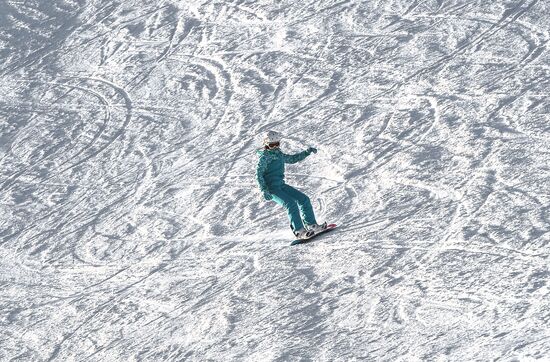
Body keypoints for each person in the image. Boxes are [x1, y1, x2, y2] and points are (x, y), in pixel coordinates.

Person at [255, 130, 327, 239]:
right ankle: (299, 231)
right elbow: (258, 174)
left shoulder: (278, 154)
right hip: (271, 189)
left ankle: (312, 225)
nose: (274, 147)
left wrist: (306, 152)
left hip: (281, 185)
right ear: (266, 144)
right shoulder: (264, 157)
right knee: (291, 204)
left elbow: (292, 159)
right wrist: (263, 189)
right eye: (272, 145)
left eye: (277, 144)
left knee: (304, 199)